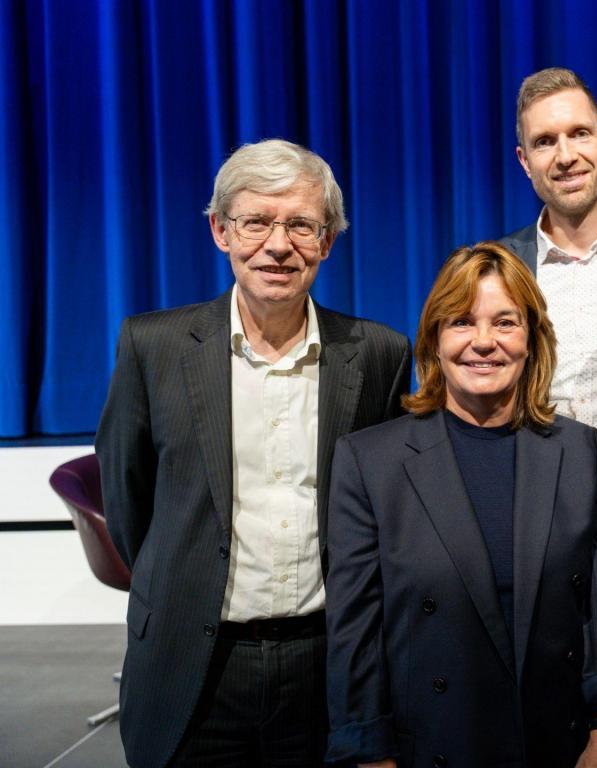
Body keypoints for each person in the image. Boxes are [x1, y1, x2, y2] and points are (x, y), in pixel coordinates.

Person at [96, 139, 411, 768]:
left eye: (301, 225)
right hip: (194, 665)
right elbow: (130, 504)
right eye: (256, 222)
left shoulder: (379, 353)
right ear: (221, 231)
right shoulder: (152, 346)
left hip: (327, 666)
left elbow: (386, 515)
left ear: (327, 240)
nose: (278, 245)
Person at [324, 243, 597, 768]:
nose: (484, 342)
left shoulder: (577, 449)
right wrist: (369, 755)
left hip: (557, 747)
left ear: (532, 339)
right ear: (434, 339)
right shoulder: (370, 461)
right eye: (462, 322)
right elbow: (354, 635)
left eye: (505, 322)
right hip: (435, 747)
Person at [499, 67, 597, 441]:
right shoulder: (500, 269)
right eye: (544, 142)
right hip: (535, 472)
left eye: (579, 134)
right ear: (524, 161)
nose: (565, 156)